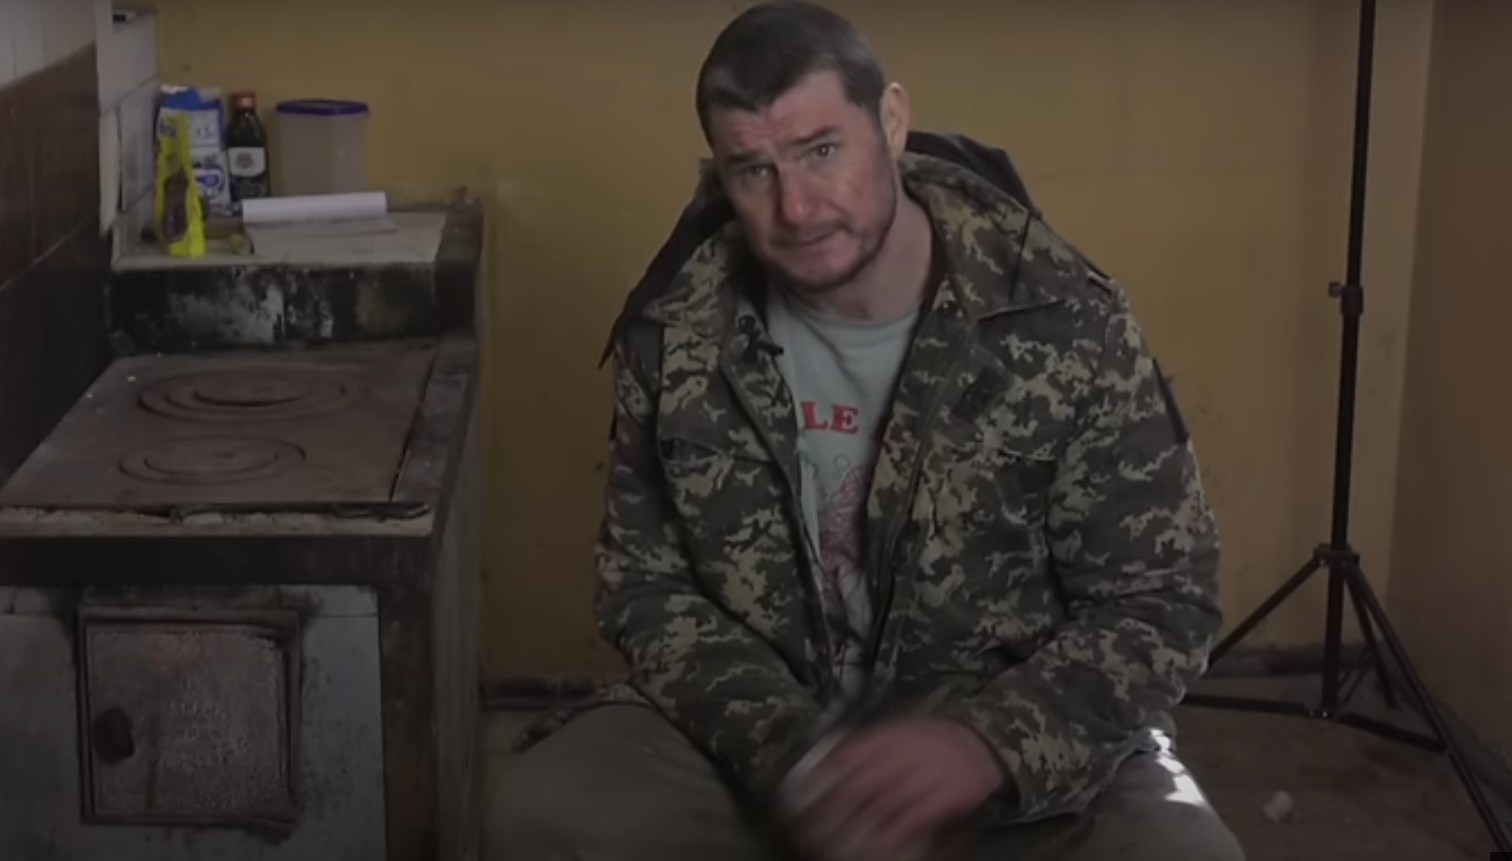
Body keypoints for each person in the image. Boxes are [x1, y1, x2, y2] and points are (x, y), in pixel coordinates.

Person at [487, 2, 1245, 860]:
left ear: (890, 120)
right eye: (753, 170)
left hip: (1011, 759)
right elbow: (643, 586)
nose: (796, 208)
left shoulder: (1064, 317)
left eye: (821, 151)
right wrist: (793, 755)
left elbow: (1162, 600)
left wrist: (982, 745)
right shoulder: (678, 329)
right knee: (545, 814)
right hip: (764, 750)